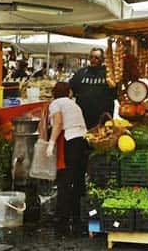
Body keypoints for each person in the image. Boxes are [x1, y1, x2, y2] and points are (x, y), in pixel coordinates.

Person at [47, 81, 89, 235]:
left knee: (64, 182)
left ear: (54, 93)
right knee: (77, 181)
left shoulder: (56, 103)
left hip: (69, 142)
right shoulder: (73, 104)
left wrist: (51, 143)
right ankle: (77, 219)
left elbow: (58, 124)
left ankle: (62, 222)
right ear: (69, 92)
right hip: (82, 143)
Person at [69, 47, 116, 129]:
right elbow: (71, 89)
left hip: (103, 117)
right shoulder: (81, 72)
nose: (93, 59)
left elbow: (115, 94)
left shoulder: (109, 73)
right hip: (83, 117)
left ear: (102, 59)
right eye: (91, 57)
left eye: (97, 58)